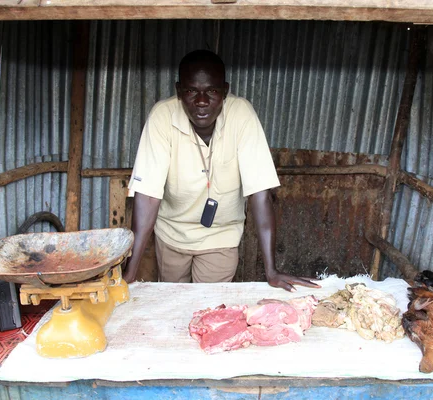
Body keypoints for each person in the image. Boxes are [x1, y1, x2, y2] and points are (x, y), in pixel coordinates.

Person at [123, 49, 319, 292]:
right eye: (191, 91)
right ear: (179, 91)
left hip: (221, 236)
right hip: (171, 235)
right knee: (172, 306)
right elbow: (148, 195)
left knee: (208, 309)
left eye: (212, 91)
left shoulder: (241, 114)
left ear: (225, 91)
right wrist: (130, 272)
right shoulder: (162, 117)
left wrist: (271, 270)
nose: (202, 101)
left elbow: (259, 192)